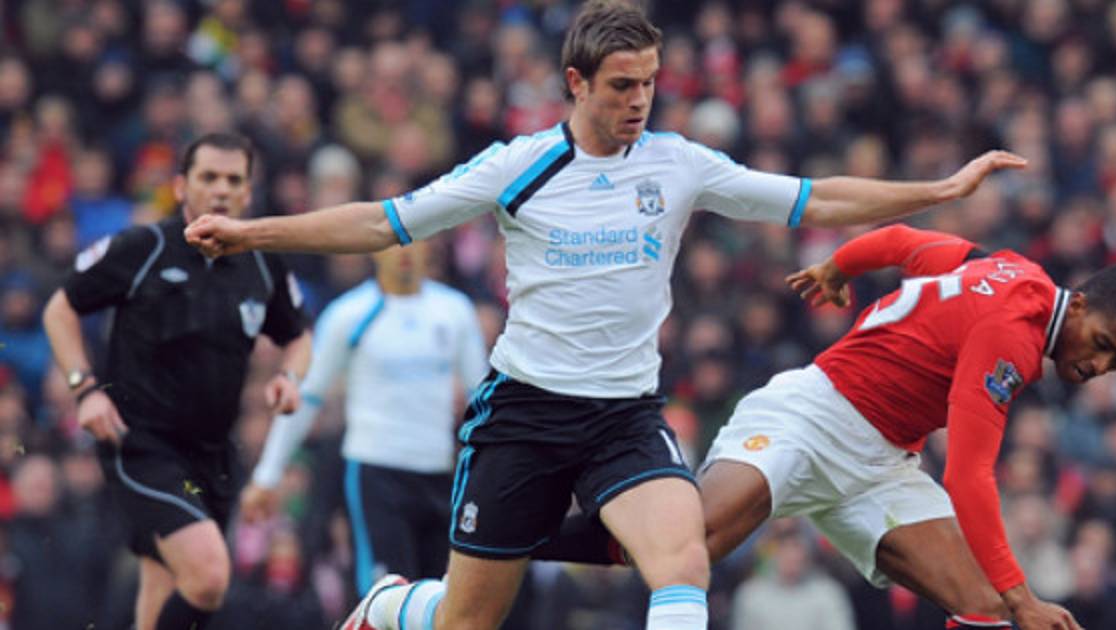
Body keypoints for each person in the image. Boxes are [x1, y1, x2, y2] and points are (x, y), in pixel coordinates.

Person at [183, 2, 1025, 628]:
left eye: (651, 83)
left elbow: (812, 198)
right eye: (623, 85)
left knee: (682, 561)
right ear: (576, 83)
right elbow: (381, 223)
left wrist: (939, 190)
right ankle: (390, 606)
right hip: (523, 415)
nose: (640, 101)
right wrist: (252, 233)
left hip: (624, 416)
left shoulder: (679, 164)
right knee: (465, 620)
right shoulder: (517, 167)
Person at [534, 223, 1116, 630]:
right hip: (814, 417)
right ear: (1079, 305)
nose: (1100, 366)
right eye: (1102, 343)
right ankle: (520, 528)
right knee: (684, 544)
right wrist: (1026, 595)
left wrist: (839, 266)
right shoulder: (1014, 340)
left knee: (985, 609)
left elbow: (904, 243)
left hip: (881, 464)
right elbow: (969, 476)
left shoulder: (1013, 269)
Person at [42, 132, 312, 630]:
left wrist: (289, 377)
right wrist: (85, 389)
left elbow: (298, 335)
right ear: (181, 186)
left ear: (248, 192)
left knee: (163, 590)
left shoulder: (261, 262)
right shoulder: (143, 248)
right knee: (208, 577)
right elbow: (60, 309)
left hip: (213, 455)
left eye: (233, 180)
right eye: (209, 177)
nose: (221, 189)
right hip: (142, 444)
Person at [240, 240, 488, 595]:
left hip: (439, 474)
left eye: (414, 239)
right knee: (386, 596)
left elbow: (482, 399)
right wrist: (267, 475)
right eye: (394, 241)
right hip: (376, 474)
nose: (404, 251)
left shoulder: (454, 311)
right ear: (374, 248)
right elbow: (307, 397)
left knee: (437, 599)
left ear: (430, 247)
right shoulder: (350, 314)